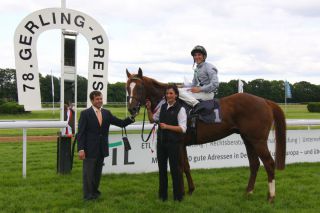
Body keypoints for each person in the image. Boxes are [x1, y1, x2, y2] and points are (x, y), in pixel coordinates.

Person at [77, 91, 135, 201]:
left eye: (100, 98)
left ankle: (95, 192)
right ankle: (88, 196)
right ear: (92, 100)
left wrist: (131, 118)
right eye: (97, 99)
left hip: (102, 148)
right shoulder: (85, 114)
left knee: (97, 173)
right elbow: (81, 133)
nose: (99, 101)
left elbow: (120, 123)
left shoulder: (107, 113)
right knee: (88, 173)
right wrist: (81, 149)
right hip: (89, 149)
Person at [146, 85, 187, 202]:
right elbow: (152, 120)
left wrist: (167, 126)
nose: (168, 95)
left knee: (175, 170)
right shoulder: (162, 107)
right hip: (161, 143)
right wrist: (149, 109)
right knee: (162, 170)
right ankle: (162, 196)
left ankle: (178, 197)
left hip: (174, 144)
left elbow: (183, 128)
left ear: (176, 95)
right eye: (167, 93)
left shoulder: (181, 109)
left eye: (171, 93)